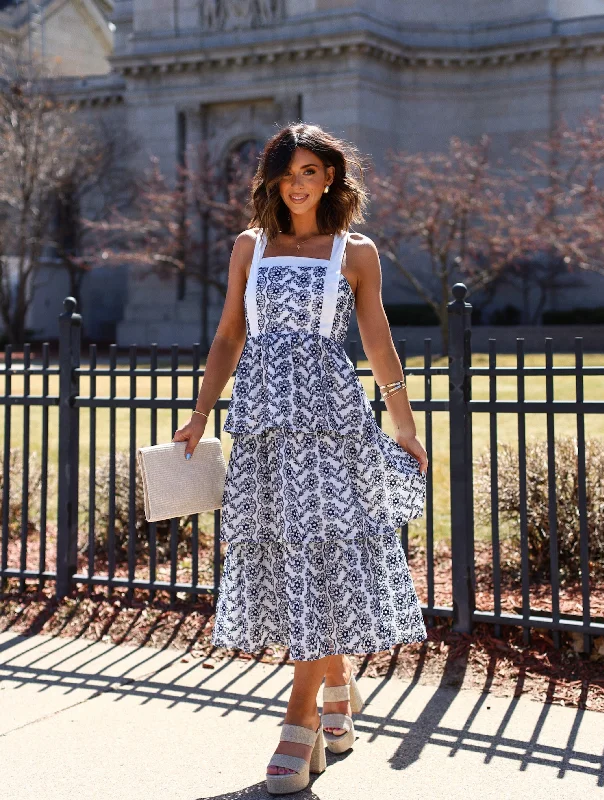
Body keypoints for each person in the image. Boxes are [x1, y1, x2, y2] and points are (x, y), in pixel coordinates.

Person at [173, 122, 429, 795]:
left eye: (311, 171)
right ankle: (339, 685)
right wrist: (201, 412)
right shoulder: (248, 247)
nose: (298, 183)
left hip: (328, 423)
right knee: (293, 556)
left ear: (331, 180)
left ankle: (299, 724)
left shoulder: (356, 251)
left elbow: (376, 338)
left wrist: (401, 423)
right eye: (287, 171)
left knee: (320, 554)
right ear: (271, 180)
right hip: (259, 423)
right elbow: (229, 332)